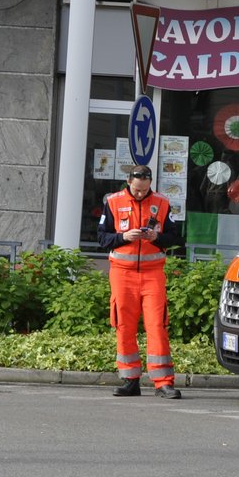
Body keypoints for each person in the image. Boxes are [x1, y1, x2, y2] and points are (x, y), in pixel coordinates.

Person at [99, 165, 182, 399]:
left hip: (153, 273)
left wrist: (157, 238)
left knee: (157, 325)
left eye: (144, 190)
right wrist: (123, 237)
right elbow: (102, 238)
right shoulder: (113, 201)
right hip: (122, 273)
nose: (139, 194)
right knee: (123, 325)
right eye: (136, 190)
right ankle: (130, 379)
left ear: (150, 185)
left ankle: (163, 382)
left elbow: (175, 237)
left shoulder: (162, 203)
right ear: (129, 181)